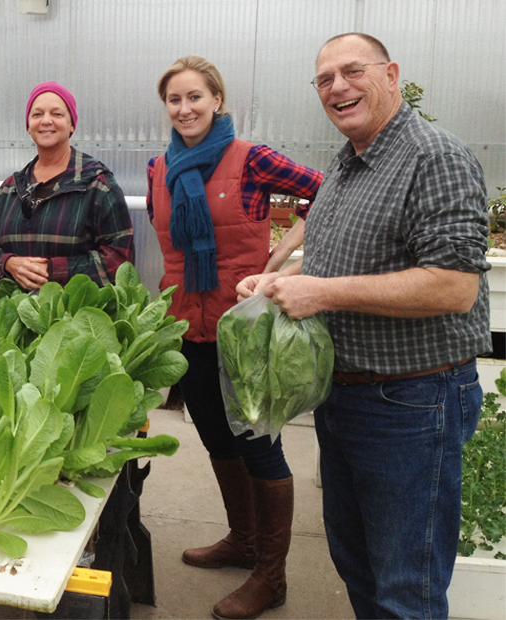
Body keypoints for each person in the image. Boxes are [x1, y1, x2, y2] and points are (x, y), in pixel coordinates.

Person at [238, 33, 490, 619]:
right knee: (359, 567)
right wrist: (278, 282)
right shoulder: (350, 162)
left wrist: (318, 293)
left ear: (391, 74)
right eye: (324, 79)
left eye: (352, 71)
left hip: (411, 402)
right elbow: (330, 257)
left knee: (407, 587)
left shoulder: (436, 158)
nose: (337, 87)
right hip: (348, 399)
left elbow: (454, 285)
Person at [148, 56, 323, 620]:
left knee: (259, 445)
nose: (185, 108)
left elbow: (328, 195)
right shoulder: (160, 168)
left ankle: (271, 576)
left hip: (244, 330)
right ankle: (242, 541)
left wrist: (281, 261)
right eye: (175, 100)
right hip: (188, 330)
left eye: (195, 97)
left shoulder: (252, 159)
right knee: (218, 440)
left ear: (216, 99)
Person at [0, 81, 134, 289]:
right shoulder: (9, 190)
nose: (46, 121)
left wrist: (54, 271)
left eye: (57, 114)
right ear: (28, 126)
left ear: (71, 125)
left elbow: (120, 260)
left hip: (79, 317)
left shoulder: (98, 185)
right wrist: (9, 264)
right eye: (37, 114)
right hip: (17, 317)